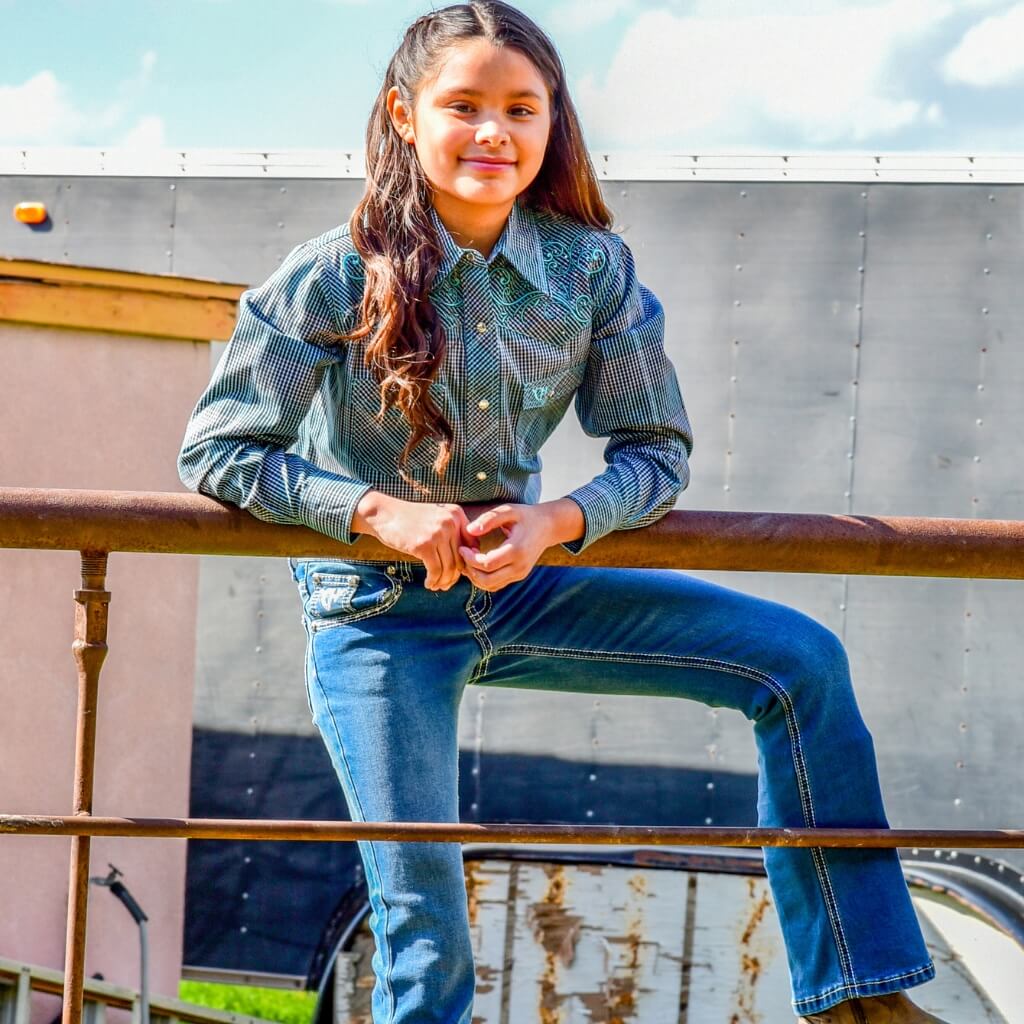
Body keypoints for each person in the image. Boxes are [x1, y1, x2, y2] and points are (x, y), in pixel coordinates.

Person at [177, 3, 951, 1021]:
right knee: (424, 927)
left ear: (552, 124)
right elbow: (219, 450)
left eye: (520, 109)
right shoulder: (329, 273)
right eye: (463, 106)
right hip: (376, 621)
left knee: (800, 661)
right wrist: (376, 513)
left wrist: (559, 522)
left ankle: (856, 998)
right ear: (404, 117)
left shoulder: (590, 270)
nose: (493, 133)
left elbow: (656, 453)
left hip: (527, 587)